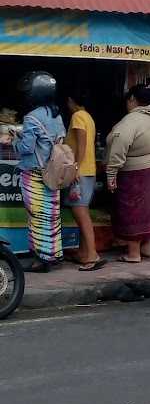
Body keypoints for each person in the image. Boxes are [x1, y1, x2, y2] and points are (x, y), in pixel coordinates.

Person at [105, 84, 150, 263]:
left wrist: (111, 174)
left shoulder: (131, 121)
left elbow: (118, 147)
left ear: (132, 99)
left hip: (135, 172)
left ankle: (133, 253)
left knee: (133, 209)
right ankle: (146, 247)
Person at [12, 72, 66, 273]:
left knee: (36, 215)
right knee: (51, 215)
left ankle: (40, 259)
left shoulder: (31, 117)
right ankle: (53, 254)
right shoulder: (57, 115)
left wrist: (14, 140)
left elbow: (26, 148)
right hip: (52, 173)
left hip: (34, 174)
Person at [63, 86, 105, 271]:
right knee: (81, 211)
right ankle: (83, 251)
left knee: (81, 213)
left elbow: (81, 144)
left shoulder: (78, 117)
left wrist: (75, 168)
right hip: (87, 170)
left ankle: (92, 254)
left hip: (81, 171)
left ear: (71, 100)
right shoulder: (87, 116)